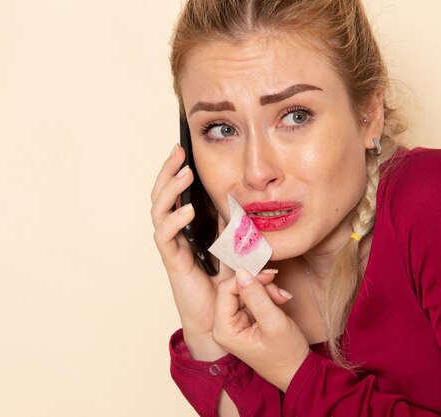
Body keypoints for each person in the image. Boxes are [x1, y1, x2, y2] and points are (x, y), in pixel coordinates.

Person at [149, 0, 441, 416]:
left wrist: (297, 372)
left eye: (295, 116)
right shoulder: (248, 282)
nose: (256, 171)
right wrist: (205, 332)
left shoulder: (430, 199)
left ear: (369, 116)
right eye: (221, 129)